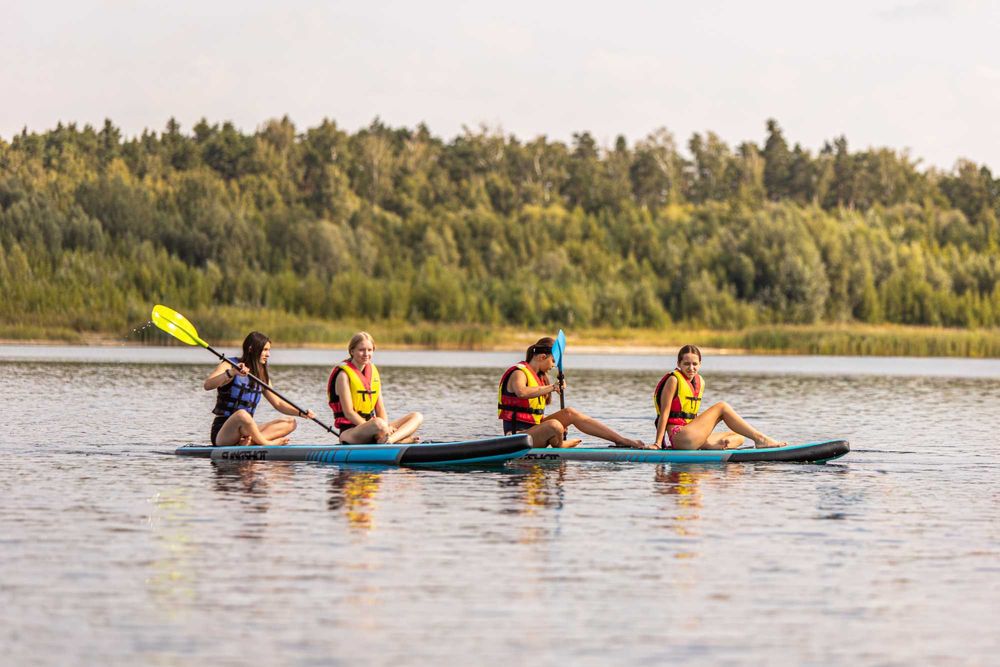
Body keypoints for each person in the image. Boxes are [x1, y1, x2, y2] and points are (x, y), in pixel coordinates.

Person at [498, 337, 645, 448]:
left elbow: (534, 415)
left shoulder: (540, 378)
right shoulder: (519, 372)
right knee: (554, 425)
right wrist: (553, 387)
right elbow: (521, 392)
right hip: (517, 437)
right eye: (553, 361)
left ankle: (620, 440)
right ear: (542, 357)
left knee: (569, 413)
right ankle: (560, 444)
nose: (553, 366)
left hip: (534, 430)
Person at [653, 344, 786, 450]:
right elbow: (664, 414)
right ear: (679, 364)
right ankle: (761, 439)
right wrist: (658, 443)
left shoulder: (699, 382)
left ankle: (712, 446)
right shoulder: (673, 380)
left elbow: (693, 417)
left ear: (700, 364)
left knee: (739, 437)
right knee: (722, 407)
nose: (691, 368)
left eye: (695, 364)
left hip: (691, 435)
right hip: (680, 437)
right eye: (686, 364)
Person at [204, 331, 315, 446]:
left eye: (269, 350)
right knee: (242, 414)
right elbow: (207, 385)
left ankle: (250, 442)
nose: (268, 354)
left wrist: (301, 413)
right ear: (251, 349)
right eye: (265, 350)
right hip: (223, 433)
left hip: (246, 432)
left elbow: (278, 403)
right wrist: (231, 373)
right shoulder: (230, 365)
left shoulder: (261, 374)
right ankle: (267, 443)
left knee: (290, 422)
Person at [327, 332, 423, 444]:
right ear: (352, 351)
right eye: (361, 350)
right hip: (351, 432)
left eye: (369, 350)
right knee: (378, 423)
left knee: (417, 416)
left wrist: (385, 431)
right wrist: (382, 428)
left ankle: (390, 440)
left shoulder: (373, 374)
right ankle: (398, 440)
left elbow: (380, 409)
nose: (366, 354)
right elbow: (349, 413)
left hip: (376, 428)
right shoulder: (343, 376)